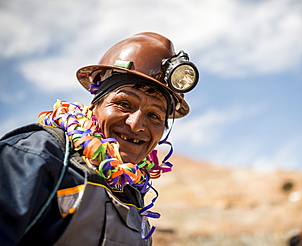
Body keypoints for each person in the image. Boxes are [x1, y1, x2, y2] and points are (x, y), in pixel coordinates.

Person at [0, 32, 199, 246]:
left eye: (154, 115)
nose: (136, 124)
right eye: (124, 104)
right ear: (94, 106)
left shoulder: (132, 196)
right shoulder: (37, 155)